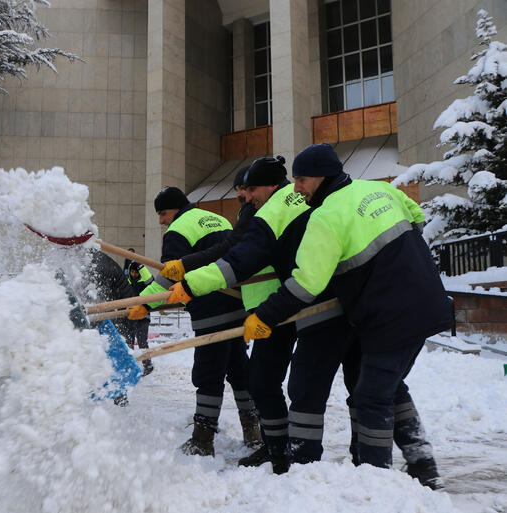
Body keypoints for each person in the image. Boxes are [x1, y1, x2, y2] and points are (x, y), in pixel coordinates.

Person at [244, 143, 449, 486]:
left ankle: (376, 481)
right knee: (387, 386)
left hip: (390, 314)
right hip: (427, 299)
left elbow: (306, 284)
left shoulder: (326, 216)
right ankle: (422, 465)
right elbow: (416, 216)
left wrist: (264, 316)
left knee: (371, 395)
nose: (296, 188)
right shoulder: (380, 189)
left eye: (302, 180)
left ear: (322, 177)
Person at [161, 157, 315, 473]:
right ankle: (270, 445)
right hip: (266, 303)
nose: (244, 196)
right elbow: (236, 250)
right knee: (256, 376)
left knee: (232, 374)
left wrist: (184, 280)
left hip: (278, 301)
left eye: (248, 189)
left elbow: (237, 256)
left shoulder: (267, 211)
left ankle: (284, 455)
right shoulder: (216, 217)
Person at [128, 186, 256, 457]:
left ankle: (202, 439)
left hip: (210, 309)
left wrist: (144, 302)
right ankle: (253, 431)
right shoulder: (216, 219)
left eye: (163, 214)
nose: (161, 221)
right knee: (239, 371)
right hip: (236, 305)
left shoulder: (179, 230)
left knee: (208, 374)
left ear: (175, 208)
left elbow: (168, 277)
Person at [83, 249, 154, 376]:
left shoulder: (144, 282)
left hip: (141, 315)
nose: (133, 274)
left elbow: (151, 281)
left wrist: (140, 266)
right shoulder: (127, 280)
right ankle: (130, 364)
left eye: (135, 272)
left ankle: (146, 365)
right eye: (132, 272)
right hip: (128, 313)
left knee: (141, 341)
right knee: (129, 343)